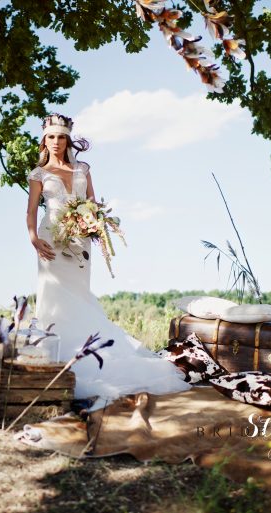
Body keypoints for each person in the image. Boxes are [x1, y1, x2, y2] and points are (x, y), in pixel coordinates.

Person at [26, 113, 192, 407]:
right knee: (53, 296)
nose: (56, 142)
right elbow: (30, 211)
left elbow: (93, 203)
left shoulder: (82, 169)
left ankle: (90, 352)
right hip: (50, 239)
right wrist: (33, 238)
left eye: (61, 137)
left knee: (78, 294)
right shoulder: (39, 174)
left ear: (68, 140)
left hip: (79, 239)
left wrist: (93, 223)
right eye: (51, 137)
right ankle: (56, 356)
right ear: (44, 140)